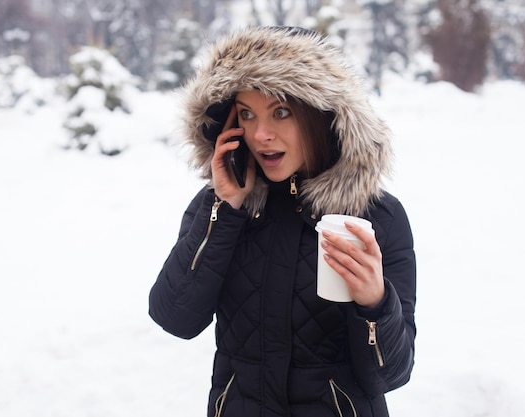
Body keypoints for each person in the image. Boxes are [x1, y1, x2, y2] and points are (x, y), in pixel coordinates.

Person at [149, 26, 416, 417]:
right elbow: (175, 317)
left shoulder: (375, 215)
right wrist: (225, 210)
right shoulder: (220, 207)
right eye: (247, 114)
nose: (261, 134)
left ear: (321, 114)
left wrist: (375, 303)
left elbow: (389, 374)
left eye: (281, 112)